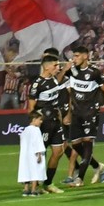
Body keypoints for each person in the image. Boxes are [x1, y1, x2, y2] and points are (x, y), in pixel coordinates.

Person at [63, 42, 104, 186]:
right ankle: (98, 166)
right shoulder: (72, 71)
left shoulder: (95, 72)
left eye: (77, 56)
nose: (74, 59)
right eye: (74, 56)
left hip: (90, 112)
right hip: (76, 113)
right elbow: (58, 79)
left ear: (85, 56)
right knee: (76, 145)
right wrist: (64, 69)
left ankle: (79, 178)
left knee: (87, 144)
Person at [26, 51, 70, 194]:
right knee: (40, 153)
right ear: (47, 67)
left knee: (58, 151)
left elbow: (58, 83)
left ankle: (48, 182)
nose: (58, 67)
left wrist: (64, 70)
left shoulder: (54, 80)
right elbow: (31, 108)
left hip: (55, 121)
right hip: (44, 123)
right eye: (56, 65)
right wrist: (37, 122)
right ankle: (33, 183)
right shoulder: (36, 84)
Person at [18, 109, 47, 197]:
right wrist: (39, 155)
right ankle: (34, 190)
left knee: (26, 171)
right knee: (36, 171)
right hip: (34, 155)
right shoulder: (36, 130)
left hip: (25, 155)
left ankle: (26, 189)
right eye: (40, 119)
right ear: (34, 120)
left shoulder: (24, 130)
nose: (41, 122)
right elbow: (38, 143)